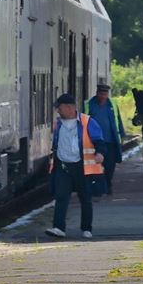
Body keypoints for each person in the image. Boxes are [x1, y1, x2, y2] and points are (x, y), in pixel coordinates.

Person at [45, 93, 106, 240]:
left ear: (69, 107)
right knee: (61, 197)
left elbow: (99, 141)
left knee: (85, 198)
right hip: (63, 166)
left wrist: (100, 153)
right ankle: (59, 227)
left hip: (82, 167)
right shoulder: (57, 124)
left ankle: (86, 228)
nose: (57, 111)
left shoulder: (87, 122)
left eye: (59, 108)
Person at [85, 83, 125, 195]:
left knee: (110, 165)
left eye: (105, 94)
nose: (103, 96)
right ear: (97, 93)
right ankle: (100, 187)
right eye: (101, 94)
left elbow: (118, 120)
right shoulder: (88, 105)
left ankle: (108, 184)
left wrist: (122, 134)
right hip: (94, 141)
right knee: (96, 165)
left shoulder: (112, 104)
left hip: (110, 140)